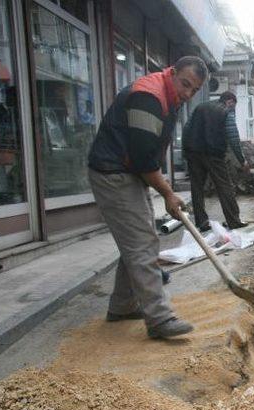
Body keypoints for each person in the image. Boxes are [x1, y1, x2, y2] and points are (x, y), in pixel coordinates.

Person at [88, 56, 207, 338]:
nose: (187, 93)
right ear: (173, 72)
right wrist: (167, 192)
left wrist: (162, 187)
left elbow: (147, 153)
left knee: (137, 240)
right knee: (142, 243)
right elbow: (142, 157)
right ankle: (160, 319)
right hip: (113, 172)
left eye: (194, 90)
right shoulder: (149, 96)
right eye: (185, 84)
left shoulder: (168, 96)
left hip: (127, 171)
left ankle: (122, 306)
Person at [182, 91, 250, 232]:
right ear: (230, 101)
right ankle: (233, 221)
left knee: (197, 188)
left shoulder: (200, 107)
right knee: (225, 186)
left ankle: (202, 223)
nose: (233, 109)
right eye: (234, 106)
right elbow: (233, 137)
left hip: (193, 153)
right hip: (214, 154)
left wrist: (185, 151)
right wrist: (242, 160)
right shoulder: (226, 111)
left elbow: (186, 129)